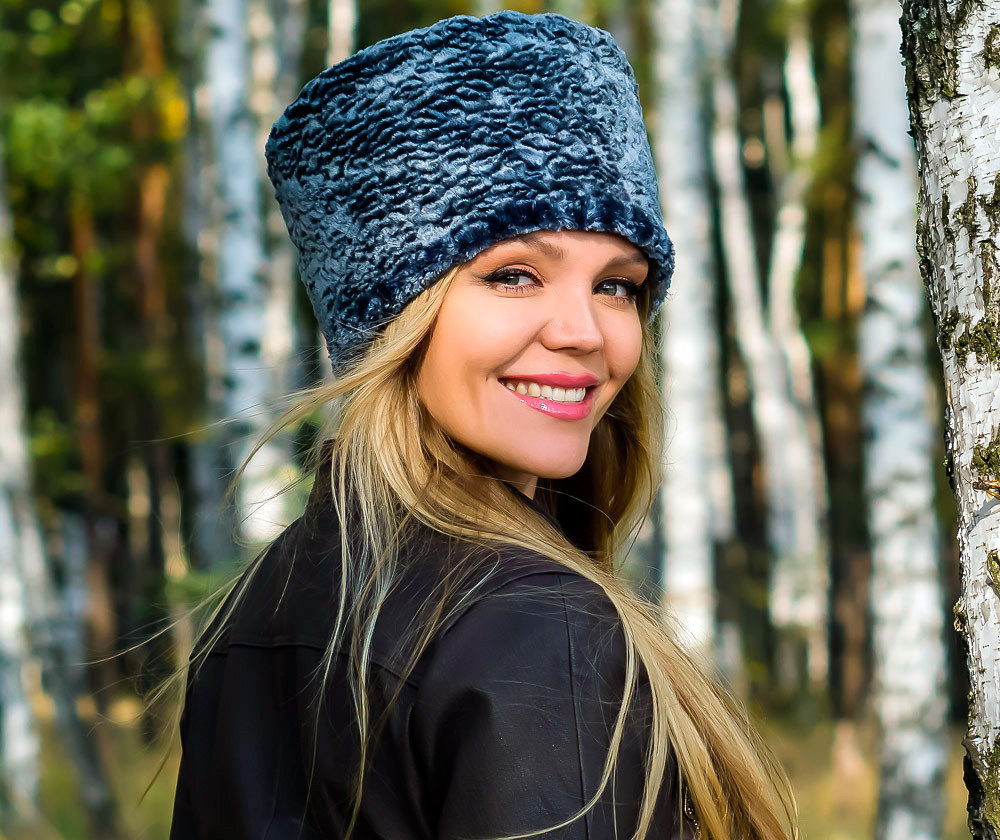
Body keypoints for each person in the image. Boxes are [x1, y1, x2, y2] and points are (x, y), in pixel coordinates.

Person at [166, 10, 798, 840]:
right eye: (514, 275)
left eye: (618, 284)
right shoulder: (534, 629)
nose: (584, 330)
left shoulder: (259, 613)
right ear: (394, 315)